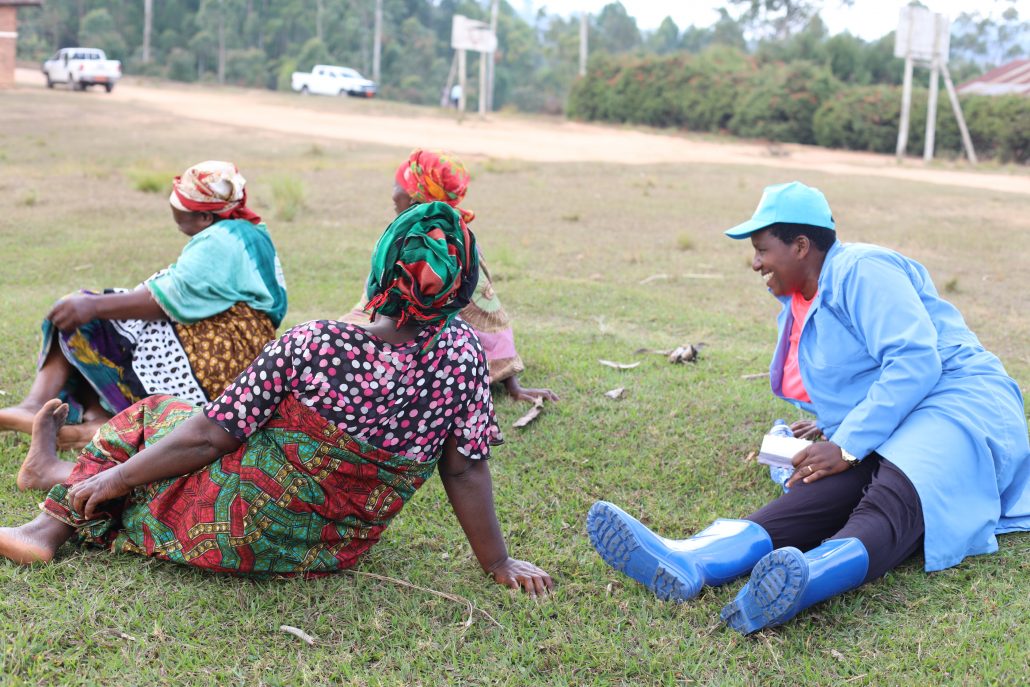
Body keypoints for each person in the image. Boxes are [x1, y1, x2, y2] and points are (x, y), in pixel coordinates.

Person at [0, 201, 555, 596]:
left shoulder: (317, 342)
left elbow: (210, 435)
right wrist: (498, 561)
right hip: (329, 549)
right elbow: (464, 472)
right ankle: (56, 471)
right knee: (171, 448)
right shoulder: (464, 357)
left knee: (161, 415)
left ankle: (47, 529)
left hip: (237, 525)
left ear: (382, 267)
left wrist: (116, 481)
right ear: (458, 286)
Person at [587, 181, 1029, 634]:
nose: (755, 263)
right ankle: (693, 559)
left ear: (801, 246)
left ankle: (808, 578)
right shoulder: (805, 300)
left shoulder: (862, 269)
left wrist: (847, 443)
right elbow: (864, 372)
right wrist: (834, 432)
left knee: (895, 487)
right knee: (827, 486)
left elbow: (916, 360)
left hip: (961, 400)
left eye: (762, 250)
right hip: (912, 410)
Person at [0, 161, 288, 466]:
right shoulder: (249, 232)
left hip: (217, 358)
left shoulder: (221, 240)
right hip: (242, 364)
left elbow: (167, 297)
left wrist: (93, 305)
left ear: (205, 216)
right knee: (109, 315)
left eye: (180, 205)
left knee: (89, 314)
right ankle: (97, 420)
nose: (174, 210)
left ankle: (37, 405)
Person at [342, 149, 557, 404]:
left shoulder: (456, 247)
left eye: (398, 184)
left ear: (415, 197)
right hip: (424, 358)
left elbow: (487, 315)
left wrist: (513, 384)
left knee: (341, 348)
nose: (392, 193)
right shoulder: (440, 240)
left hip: (418, 355)